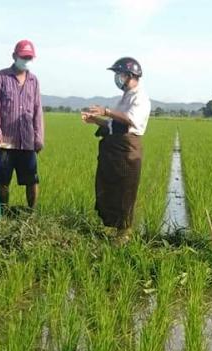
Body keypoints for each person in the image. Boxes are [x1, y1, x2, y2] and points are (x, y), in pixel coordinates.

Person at [81, 57, 151, 245]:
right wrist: (95, 120)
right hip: (115, 147)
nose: (117, 78)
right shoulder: (126, 97)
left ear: (130, 75)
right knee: (110, 187)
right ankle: (114, 228)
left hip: (127, 150)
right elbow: (114, 125)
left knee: (125, 190)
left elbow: (129, 120)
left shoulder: (140, 97)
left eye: (120, 74)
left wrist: (106, 111)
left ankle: (124, 233)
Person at [0, 40, 44, 211]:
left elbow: (38, 110)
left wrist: (39, 138)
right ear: (14, 56)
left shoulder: (34, 81)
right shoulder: (1, 78)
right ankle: (3, 212)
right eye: (23, 57)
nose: (26, 60)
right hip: (5, 141)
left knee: (32, 180)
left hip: (27, 141)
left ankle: (31, 214)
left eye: (29, 58)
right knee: (3, 181)